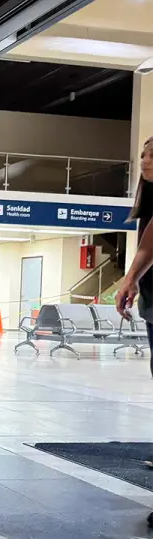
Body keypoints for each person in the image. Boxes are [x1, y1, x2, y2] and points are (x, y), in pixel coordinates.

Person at [119, 136, 153, 377]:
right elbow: (147, 249)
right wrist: (132, 280)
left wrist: (131, 279)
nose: (145, 161)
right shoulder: (148, 201)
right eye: (143, 156)